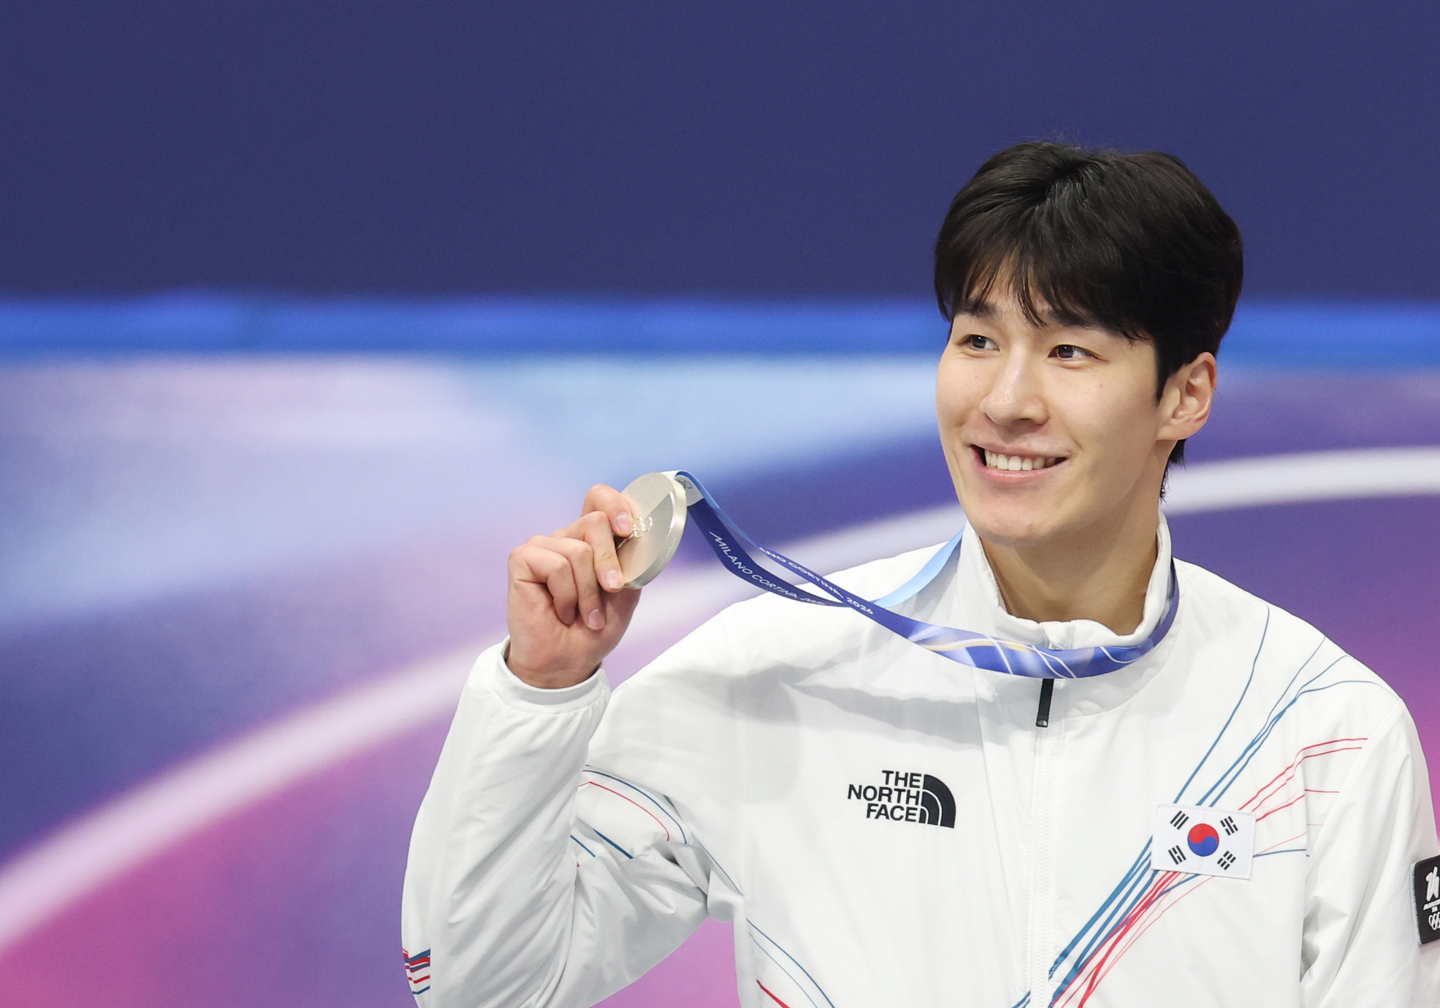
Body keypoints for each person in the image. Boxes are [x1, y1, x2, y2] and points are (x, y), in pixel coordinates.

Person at [401, 142, 1440, 1007]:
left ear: (1185, 394)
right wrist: (539, 693)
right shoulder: (783, 672)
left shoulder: (1322, 731)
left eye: (1070, 352)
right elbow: (478, 987)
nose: (1006, 401)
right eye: (977, 339)